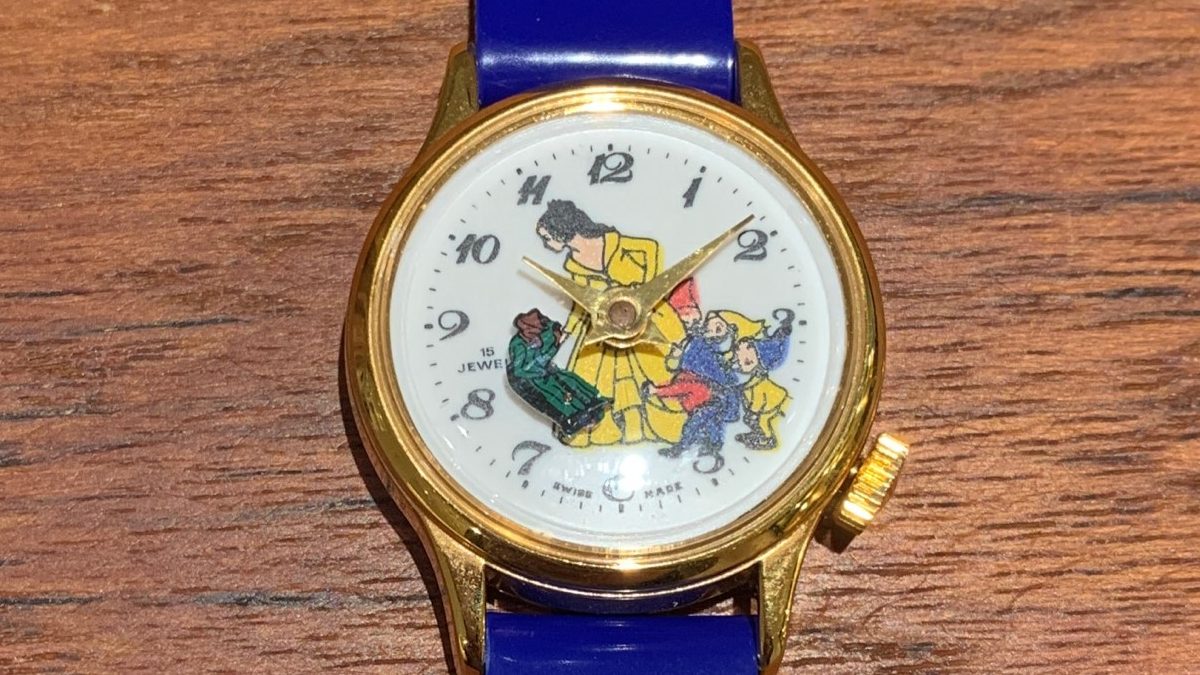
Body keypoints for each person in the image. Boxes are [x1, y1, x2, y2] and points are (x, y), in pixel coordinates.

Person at [534, 200, 686, 447]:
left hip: (647, 323)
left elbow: (652, 247)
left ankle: (661, 428)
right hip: (602, 332)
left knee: (661, 376)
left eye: (547, 237)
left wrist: (646, 289)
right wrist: (567, 331)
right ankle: (619, 431)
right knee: (597, 382)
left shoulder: (615, 243)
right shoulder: (573, 264)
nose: (546, 243)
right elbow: (580, 302)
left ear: (561, 229)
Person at [647, 279, 741, 466]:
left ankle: (684, 447)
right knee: (709, 422)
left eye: (719, 329)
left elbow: (688, 377)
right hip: (711, 397)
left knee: (697, 422)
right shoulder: (696, 344)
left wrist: (656, 388)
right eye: (713, 324)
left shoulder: (704, 349)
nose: (696, 323)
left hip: (714, 397)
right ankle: (711, 444)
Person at [506, 308, 610, 437]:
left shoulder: (546, 333)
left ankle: (593, 399)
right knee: (554, 391)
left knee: (570, 378)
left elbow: (550, 347)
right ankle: (571, 417)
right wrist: (541, 370)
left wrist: (552, 342)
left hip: (544, 369)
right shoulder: (517, 344)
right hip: (529, 378)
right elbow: (520, 369)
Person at [732, 324, 792, 450]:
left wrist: (753, 412)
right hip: (766, 406)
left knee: (762, 421)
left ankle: (768, 438)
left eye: (747, 361)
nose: (742, 363)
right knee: (753, 420)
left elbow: (759, 398)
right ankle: (758, 434)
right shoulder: (750, 382)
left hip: (774, 404)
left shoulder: (759, 381)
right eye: (740, 361)